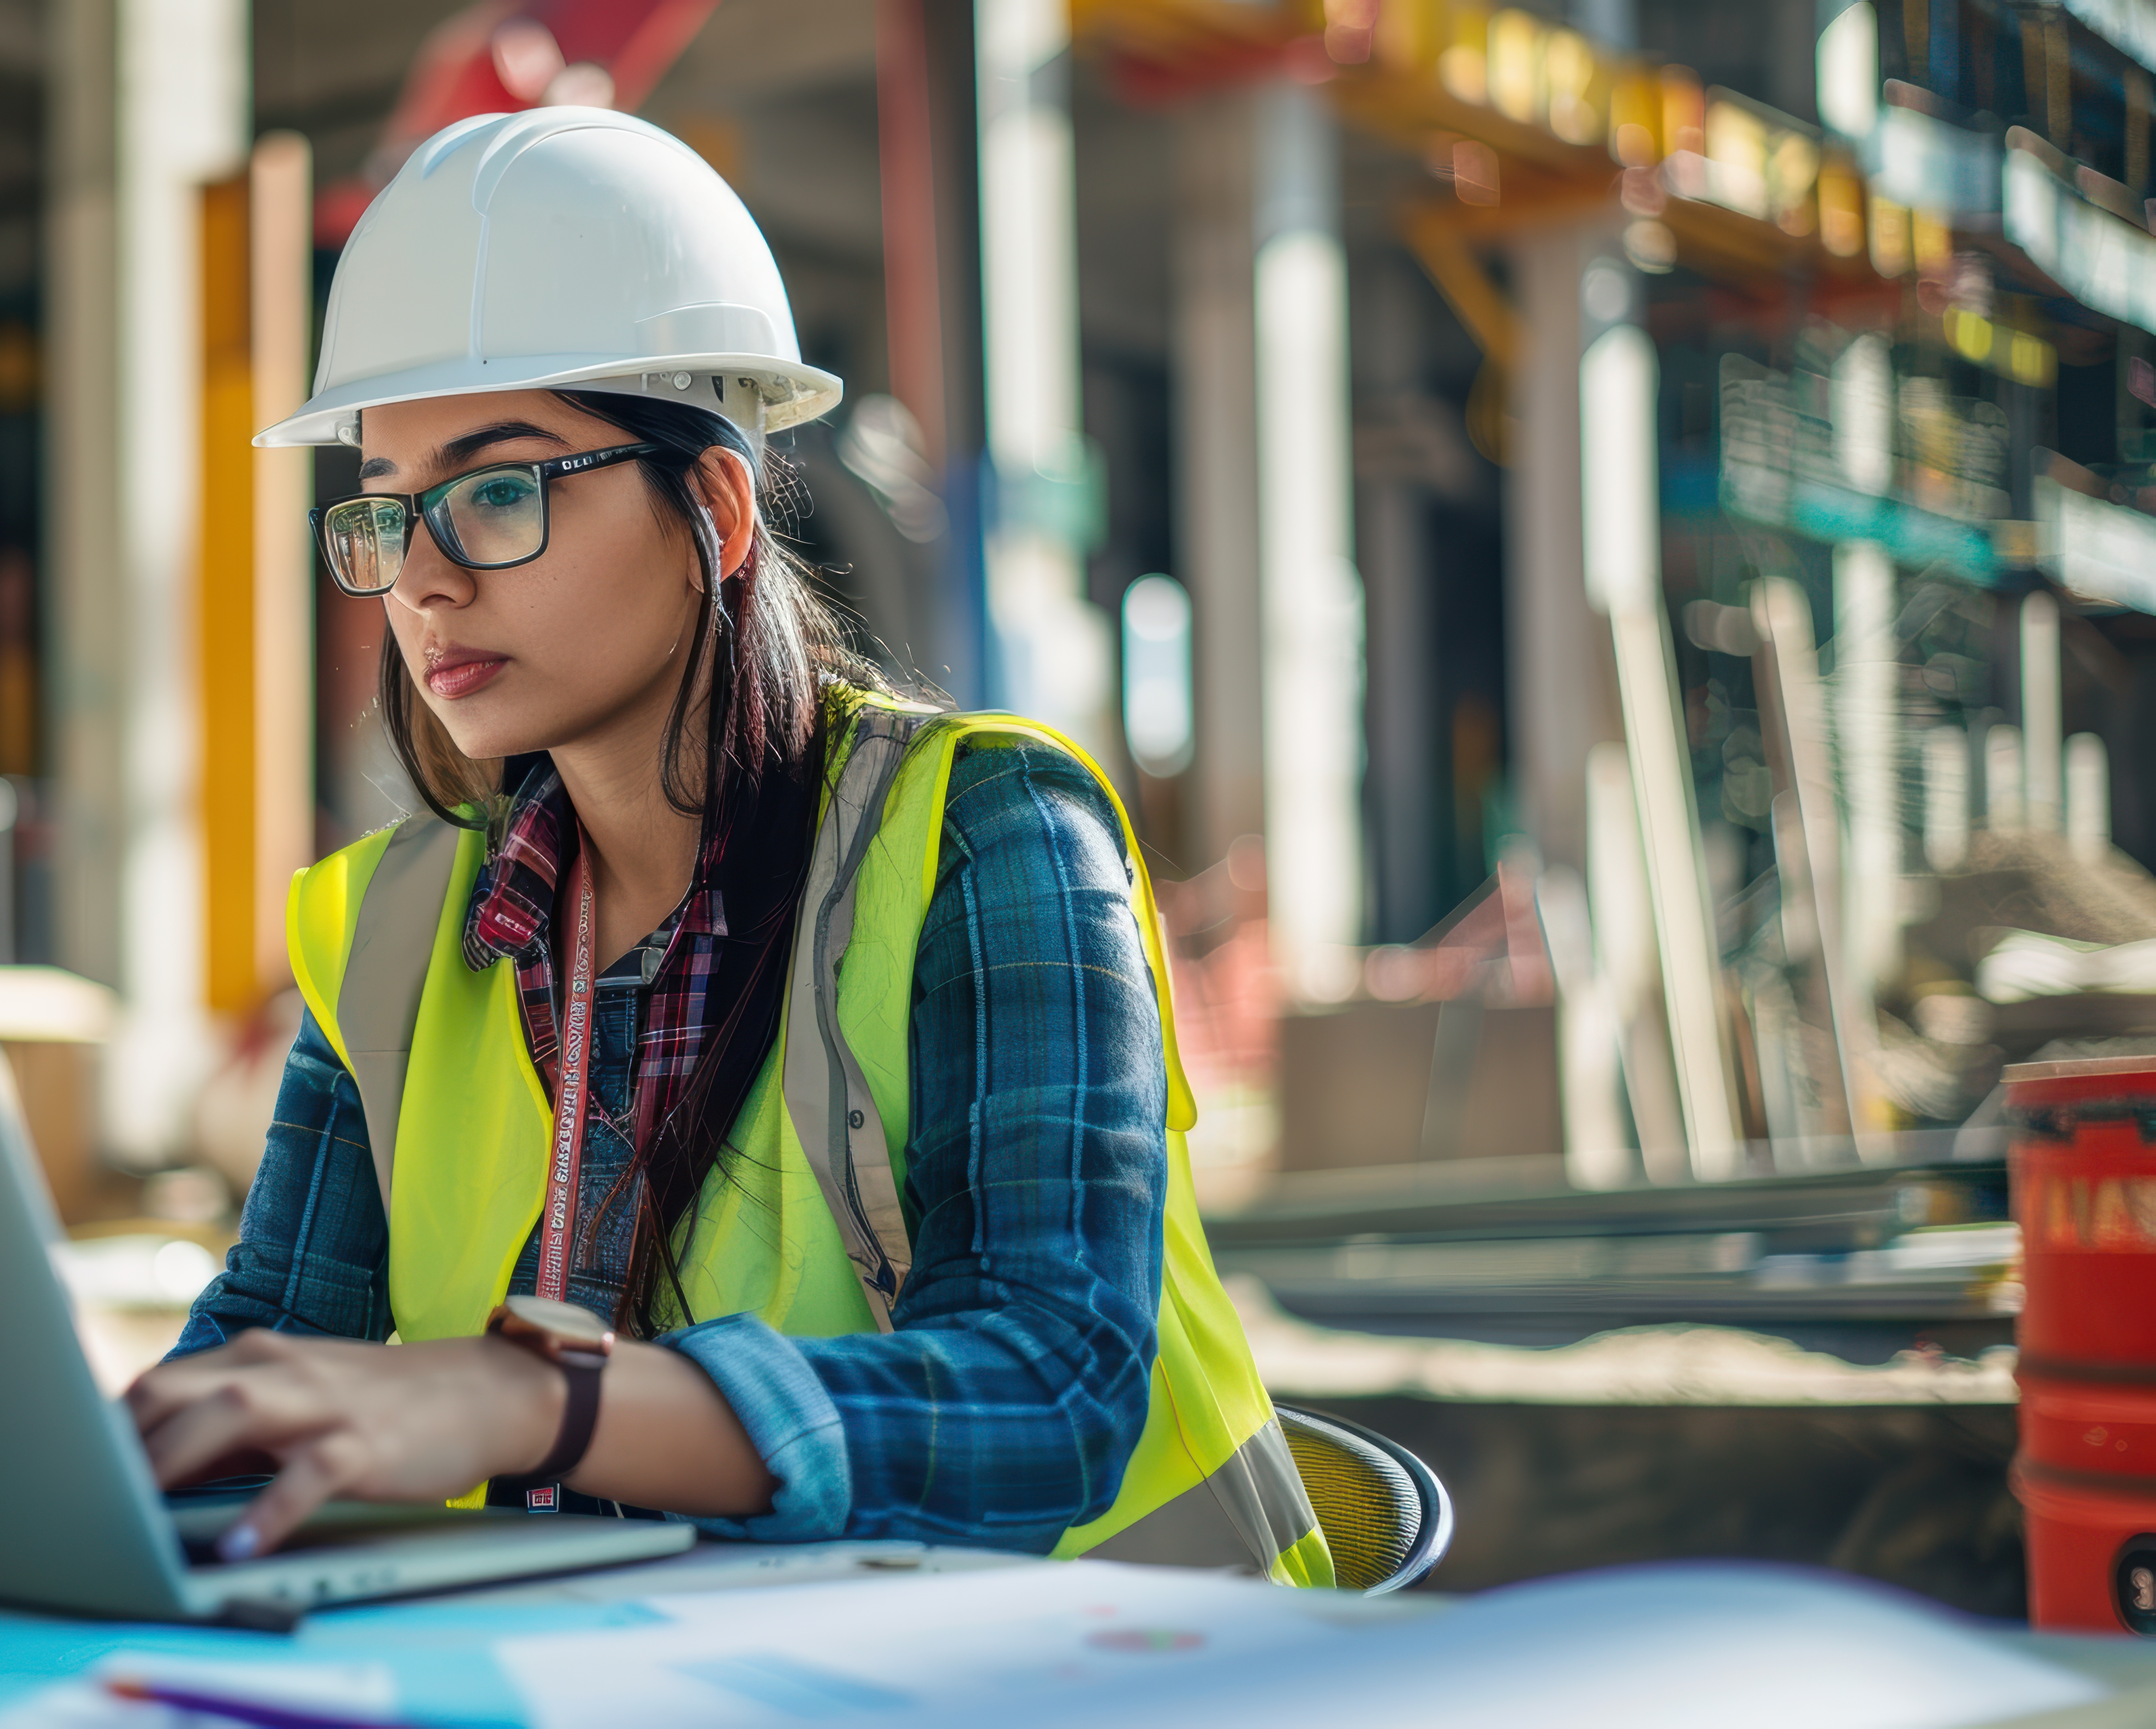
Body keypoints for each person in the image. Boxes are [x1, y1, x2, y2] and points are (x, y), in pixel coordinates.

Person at [129, 107, 1330, 1586]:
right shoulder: (389, 934)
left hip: (1109, 1680)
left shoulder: (989, 837)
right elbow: (268, 1354)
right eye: (386, 515)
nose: (424, 580)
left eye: (496, 492)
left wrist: (534, 1404)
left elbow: (1050, 1396)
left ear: (713, 507)